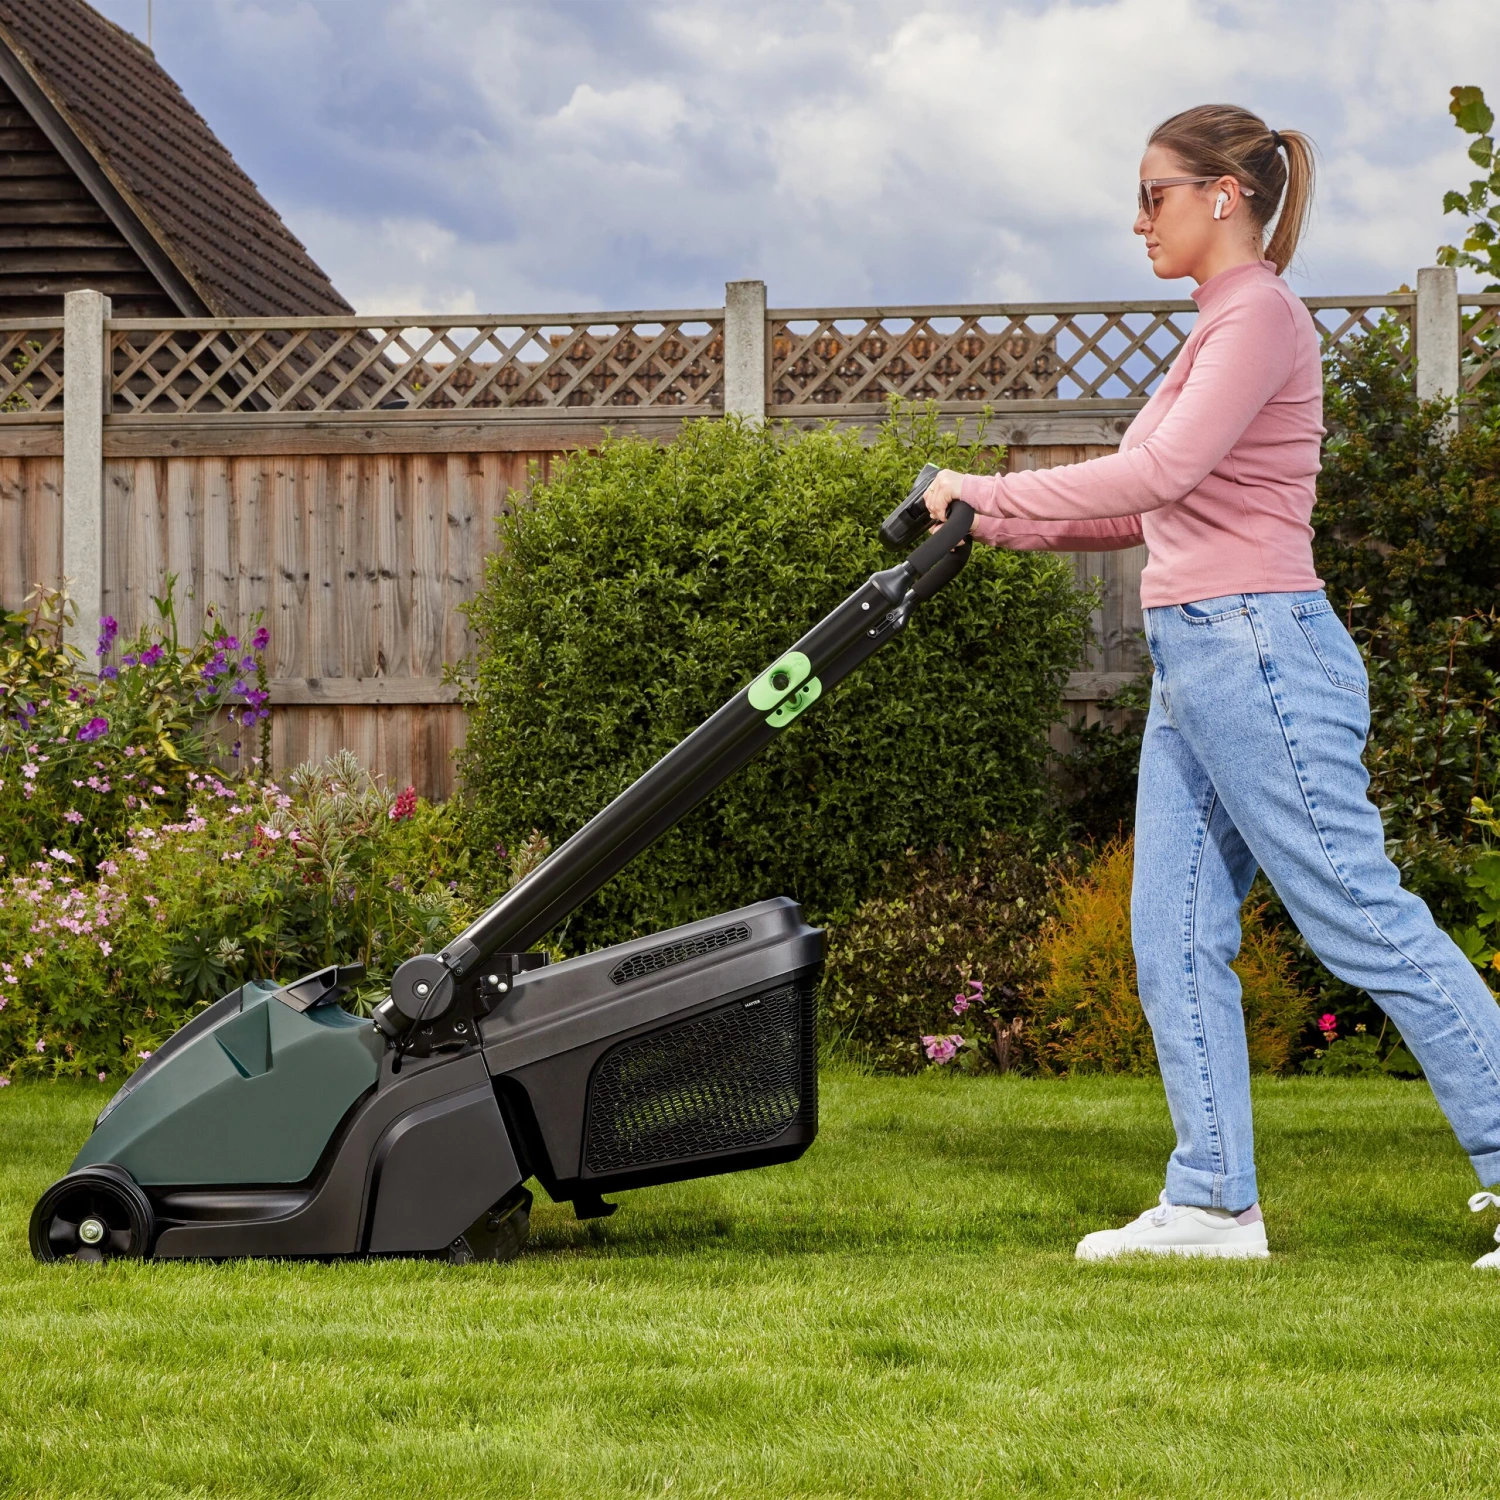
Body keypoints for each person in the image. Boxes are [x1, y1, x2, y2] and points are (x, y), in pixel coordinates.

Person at [921, 103, 1500, 1268]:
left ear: (1222, 196)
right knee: (1173, 934)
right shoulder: (1214, 331)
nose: (1139, 221)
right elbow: (1146, 506)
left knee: (1359, 916)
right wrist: (986, 524)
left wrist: (984, 485)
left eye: (1155, 195)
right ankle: (1213, 1201)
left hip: (1258, 649)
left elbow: (1160, 468)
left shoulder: (1260, 318)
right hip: (1202, 655)